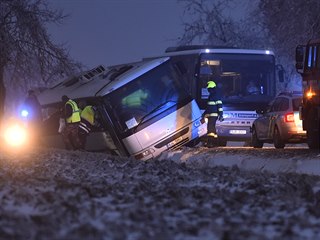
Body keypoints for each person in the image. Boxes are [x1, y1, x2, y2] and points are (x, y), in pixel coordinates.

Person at [203, 81, 223, 148]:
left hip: (213, 115)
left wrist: (221, 115)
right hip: (211, 115)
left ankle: (210, 143)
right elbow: (208, 107)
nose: (208, 90)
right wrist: (204, 114)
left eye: (208, 89)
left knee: (210, 129)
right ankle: (215, 143)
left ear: (211, 88)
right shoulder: (212, 95)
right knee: (212, 129)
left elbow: (219, 106)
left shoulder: (215, 95)